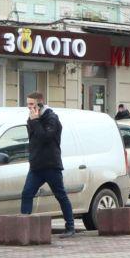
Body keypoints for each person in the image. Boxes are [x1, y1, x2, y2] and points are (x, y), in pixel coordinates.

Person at [20, 93, 78, 235]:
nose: (29, 107)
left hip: (51, 164)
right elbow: (33, 140)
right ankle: (24, 228)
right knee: (27, 193)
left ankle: (70, 227)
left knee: (60, 195)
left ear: (40, 104)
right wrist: (33, 121)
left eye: (32, 104)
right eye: (27, 104)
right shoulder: (32, 119)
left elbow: (45, 137)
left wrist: (35, 122)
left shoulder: (51, 118)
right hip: (36, 166)